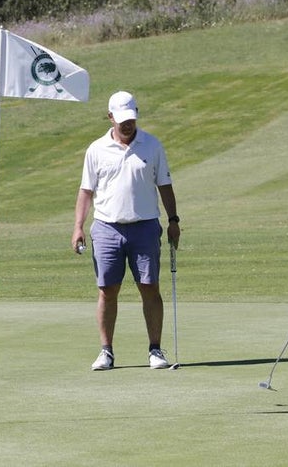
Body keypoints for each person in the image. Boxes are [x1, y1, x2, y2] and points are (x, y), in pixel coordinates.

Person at [72, 91, 180, 371]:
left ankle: (155, 350)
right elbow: (86, 191)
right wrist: (78, 227)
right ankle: (106, 351)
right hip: (107, 228)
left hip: (145, 226)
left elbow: (164, 185)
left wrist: (173, 220)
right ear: (110, 118)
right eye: (122, 120)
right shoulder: (96, 149)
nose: (127, 124)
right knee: (108, 291)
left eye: (131, 119)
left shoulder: (152, 145)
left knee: (149, 288)